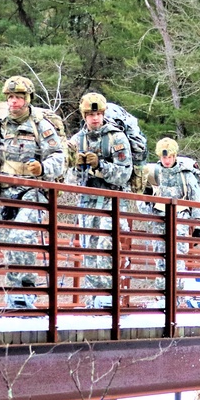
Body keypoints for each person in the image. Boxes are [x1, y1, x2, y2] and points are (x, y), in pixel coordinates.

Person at [0, 75, 65, 310]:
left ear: (27, 99)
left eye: (18, 98)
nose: (14, 102)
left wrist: (43, 167)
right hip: (6, 193)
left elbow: (59, 157)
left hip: (32, 192)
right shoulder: (1, 125)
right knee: (6, 241)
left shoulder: (41, 125)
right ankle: (14, 295)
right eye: (10, 97)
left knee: (21, 238)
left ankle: (24, 292)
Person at [67, 92, 132, 306]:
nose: (95, 118)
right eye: (90, 114)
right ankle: (93, 299)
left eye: (98, 113)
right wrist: (78, 166)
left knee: (107, 247)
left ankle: (107, 296)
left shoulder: (116, 137)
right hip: (88, 201)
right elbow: (67, 177)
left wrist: (99, 166)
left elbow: (124, 174)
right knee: (88, 250)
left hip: (111, 201)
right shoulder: (78, 140)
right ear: (84, 116)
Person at [142, 137, 200, 292]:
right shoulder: (154, 173)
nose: (167, 160)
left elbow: (195, 197)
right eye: (164, 157)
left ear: (175, 156)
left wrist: (198, 225)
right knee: (160, 258)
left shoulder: (185, 174)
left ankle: (177, 296)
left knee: (178, 258)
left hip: (180, 218)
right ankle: (162, 295)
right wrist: (147, 198)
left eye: (170, 157)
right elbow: (143, 199)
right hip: (159, 218)